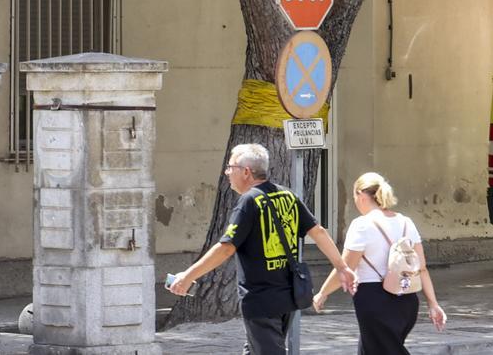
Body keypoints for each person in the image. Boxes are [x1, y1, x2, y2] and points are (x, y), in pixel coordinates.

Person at [167, 143, 356, 354]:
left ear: (246, 171)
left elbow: (226, 248)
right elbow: (318, 231)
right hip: (288, 296)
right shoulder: (288, 196)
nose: (227, 172)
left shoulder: (249, 201)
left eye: (230, 167)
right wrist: (341, 267)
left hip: (261, 299)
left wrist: (188, 276)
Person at [313, 172, 447, 354]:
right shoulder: (407, 223)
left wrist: (323, 293)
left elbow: (345, 268)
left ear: (360, 195)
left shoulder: (362, 225)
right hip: (407, 300)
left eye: (354, 196)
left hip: (374, 300)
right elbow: (421, 269)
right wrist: (433, 304)